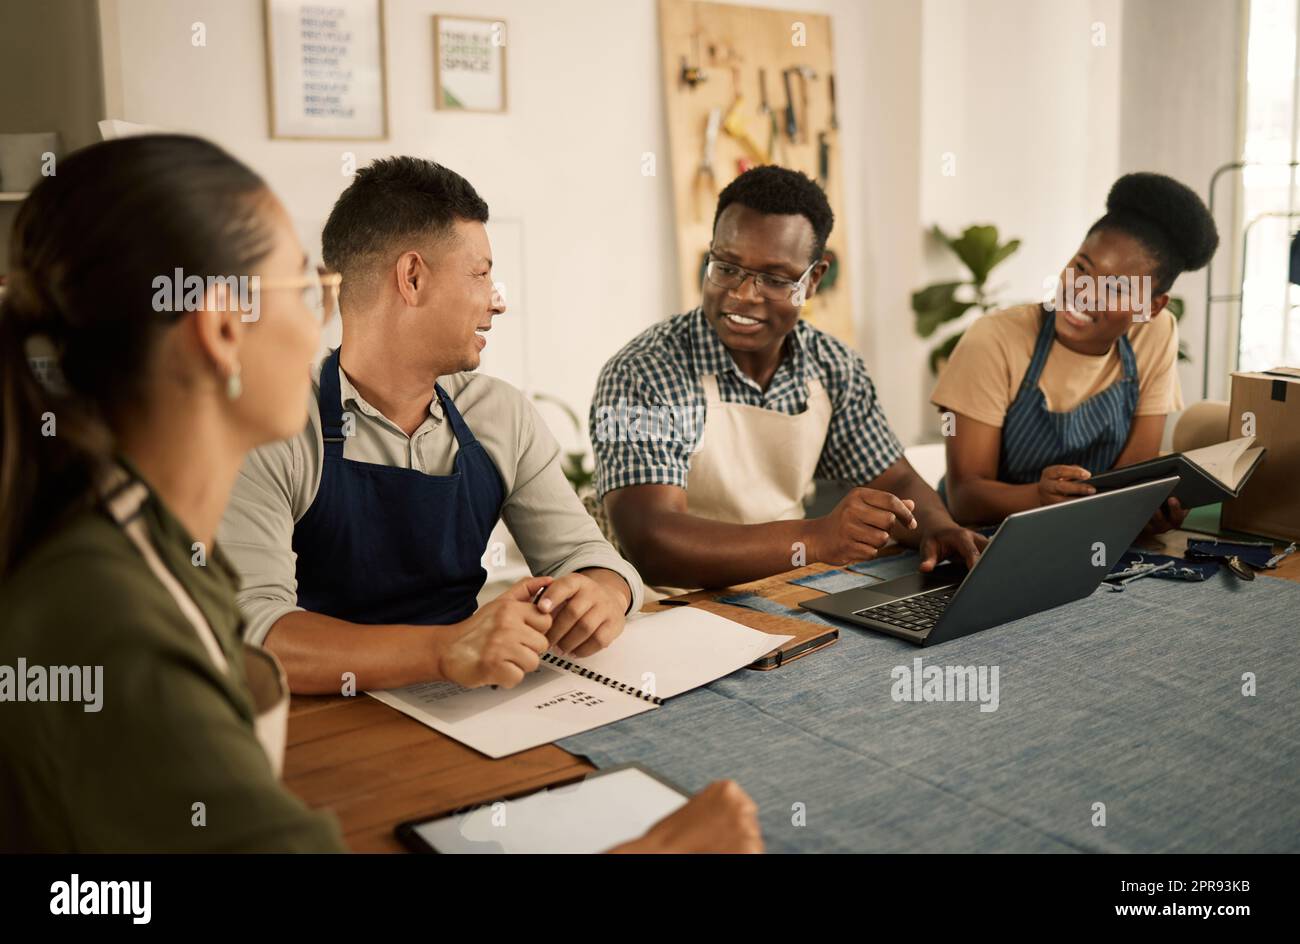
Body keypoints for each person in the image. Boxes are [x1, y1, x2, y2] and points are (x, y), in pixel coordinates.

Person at [0, 135, 760, 854]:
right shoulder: (111, 620)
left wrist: (594, 589)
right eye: (303, 289)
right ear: (219, 332)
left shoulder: (146, 546)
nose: (321, 319)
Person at [218, 157, 642, 695]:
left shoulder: (500, 414)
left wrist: (603, 593)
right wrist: (444, 651)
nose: (498, 301)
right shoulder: (272, 423)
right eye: (482, 274)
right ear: (412, 277)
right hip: (320, 720)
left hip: (469, 709)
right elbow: (253, 631)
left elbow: (586, 557)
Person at [590, 165, 985, 591]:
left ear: (813, 279)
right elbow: (654, 544)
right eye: (726, 267)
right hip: (669, 605)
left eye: (775, 279)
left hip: (785, 590)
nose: (742, 294)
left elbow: (896, 481)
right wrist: (816, 539)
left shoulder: (832, 366)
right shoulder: (646, 372)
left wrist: (936, 528)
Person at [932, 172, 1218, 528]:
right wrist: (1039, 497)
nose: (1083, 294)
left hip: (1088, 533)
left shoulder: (1155, 335)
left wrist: (1146, 508)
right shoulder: (994, 339)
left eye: (1116, 289)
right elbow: (964, 499)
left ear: (1153, 307)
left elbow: (1131, 476)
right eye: (1082, 268)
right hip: (983, 540)